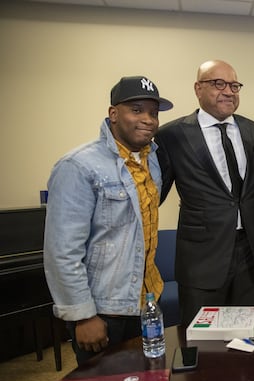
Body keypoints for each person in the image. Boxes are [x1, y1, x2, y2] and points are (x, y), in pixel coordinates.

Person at [44, 76, 173, 365]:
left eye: (153, 113)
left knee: (145, 380)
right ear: (113, 114)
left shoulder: (151, 158)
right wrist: (83, 315)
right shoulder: (78, 166)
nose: (148, 120)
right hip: (104, 310)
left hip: (146, 301)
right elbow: (62, 251)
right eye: (137, 110)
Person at [154, 60, 254, 327]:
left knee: (246, 335)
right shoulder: (172, 135)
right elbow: (155, 194)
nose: (228, 91)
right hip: (201, 259)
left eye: (234, 85)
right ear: (198, 88)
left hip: (249, 254)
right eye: (218, 84)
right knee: (201, 342)